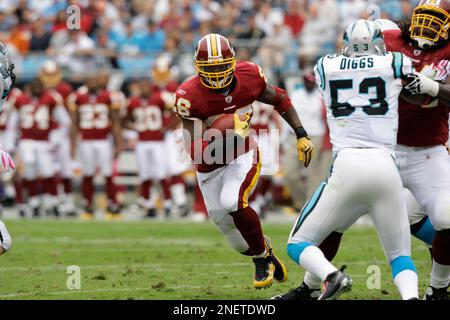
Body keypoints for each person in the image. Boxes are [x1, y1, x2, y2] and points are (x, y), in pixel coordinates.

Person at [276, 1, 450, 301]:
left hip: (425, 152)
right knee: (347, 229)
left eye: (437, 19)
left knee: (446, 216)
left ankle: (438, 288)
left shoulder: (328, 64)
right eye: (424, 17)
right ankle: (312, 286)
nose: (427, 25)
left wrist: (434, 88)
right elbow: (385, 48)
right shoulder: (395, 51)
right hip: (388, 155)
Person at [173, 33, 314, 289]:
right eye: (210, 68)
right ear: (197, 68)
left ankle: (261, 260)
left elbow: (280, 98)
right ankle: (265, 252)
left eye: (220, 67)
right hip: (210, 164)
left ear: (233, 62)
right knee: (238, 242)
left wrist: (301, 133)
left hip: (242, 153)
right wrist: (226, 133)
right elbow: (196, 152)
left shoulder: (249, 76)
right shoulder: (188, 95)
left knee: (232, 201)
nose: (216, 74)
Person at [7, 79, 71, 217]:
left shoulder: (51, 98)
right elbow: (12, 124)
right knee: (29, 173)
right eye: (34, 86)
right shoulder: (20, 100)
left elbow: (65, 122)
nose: (36, 89)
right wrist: (10, 143)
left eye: (39, 86)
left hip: (44, 142)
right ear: (29, 87)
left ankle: (52, 202)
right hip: (26, 142)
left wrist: (56, 138)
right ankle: (34, 203)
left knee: (47, 172)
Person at [68, 73, 124, 220]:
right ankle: (88, 206)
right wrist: (72, 144)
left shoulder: (108, 97)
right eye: (90, 80)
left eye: (95, 80)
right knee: (88, 174)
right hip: (85, 140)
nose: (93, 83)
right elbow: (74, 124)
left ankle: (113, 205)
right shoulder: (78, 98)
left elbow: (115, 121)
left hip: (103, 140)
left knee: (108, 174)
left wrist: (119, 143)